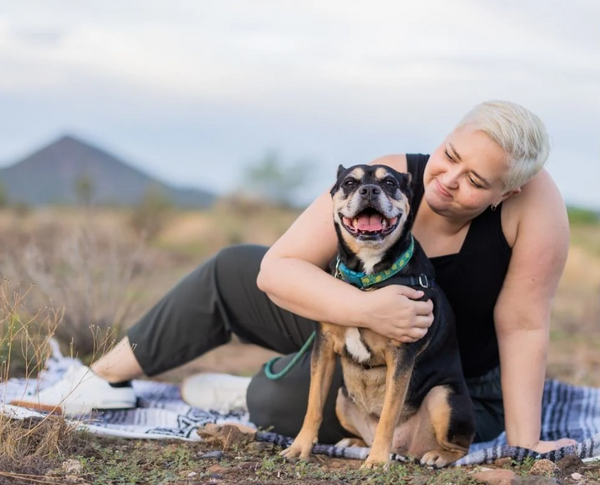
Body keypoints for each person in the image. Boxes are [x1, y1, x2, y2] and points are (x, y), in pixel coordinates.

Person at [27, 100, 576, 453]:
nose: (448, 180)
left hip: (442, 376)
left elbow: (524, 326)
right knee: (232, 267)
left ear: (508, 190)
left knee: (274, 405)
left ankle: (243, 392)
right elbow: (278, 269)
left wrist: (525, 445)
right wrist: (367, 309)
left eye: (476, 179)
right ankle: (98, 380)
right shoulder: (387, 177)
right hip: (353, 326)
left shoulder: (534, 206)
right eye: (449, 154)